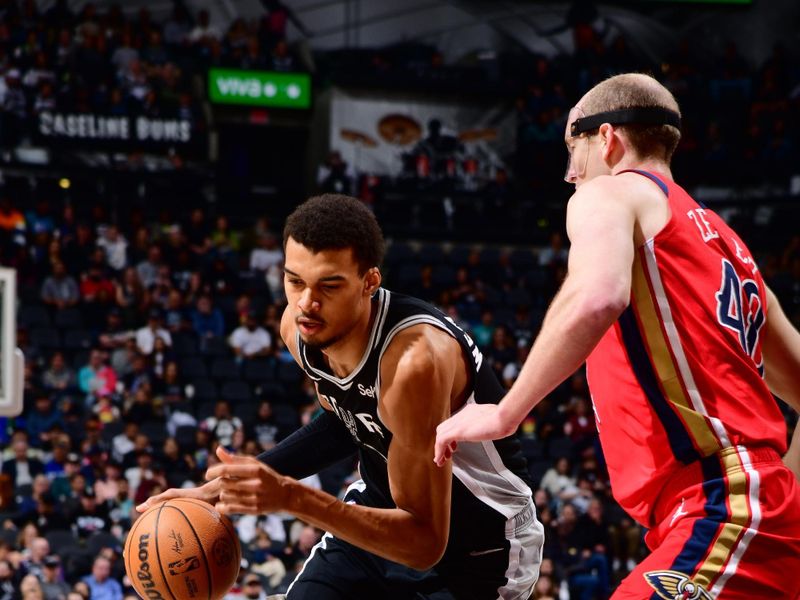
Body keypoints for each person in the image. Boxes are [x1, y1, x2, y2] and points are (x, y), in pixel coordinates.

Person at [434, 73, 800, 598]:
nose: (569, 174)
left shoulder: (609, 192)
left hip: (721, 501)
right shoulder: (728, 242)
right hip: (750, 510)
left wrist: (503, 412)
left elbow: (600, 294)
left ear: (606, 138)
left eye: (572, 150)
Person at [139, 194, 543, 599]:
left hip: (478, 547)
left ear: (369, 282)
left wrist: (291, 496)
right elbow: (347, 422)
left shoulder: (412, 364)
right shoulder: (300, 330)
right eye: (294, 280)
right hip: (379, 519)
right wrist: (224, 487)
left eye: (328, 286)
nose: (306, 304)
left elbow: (424, 544)